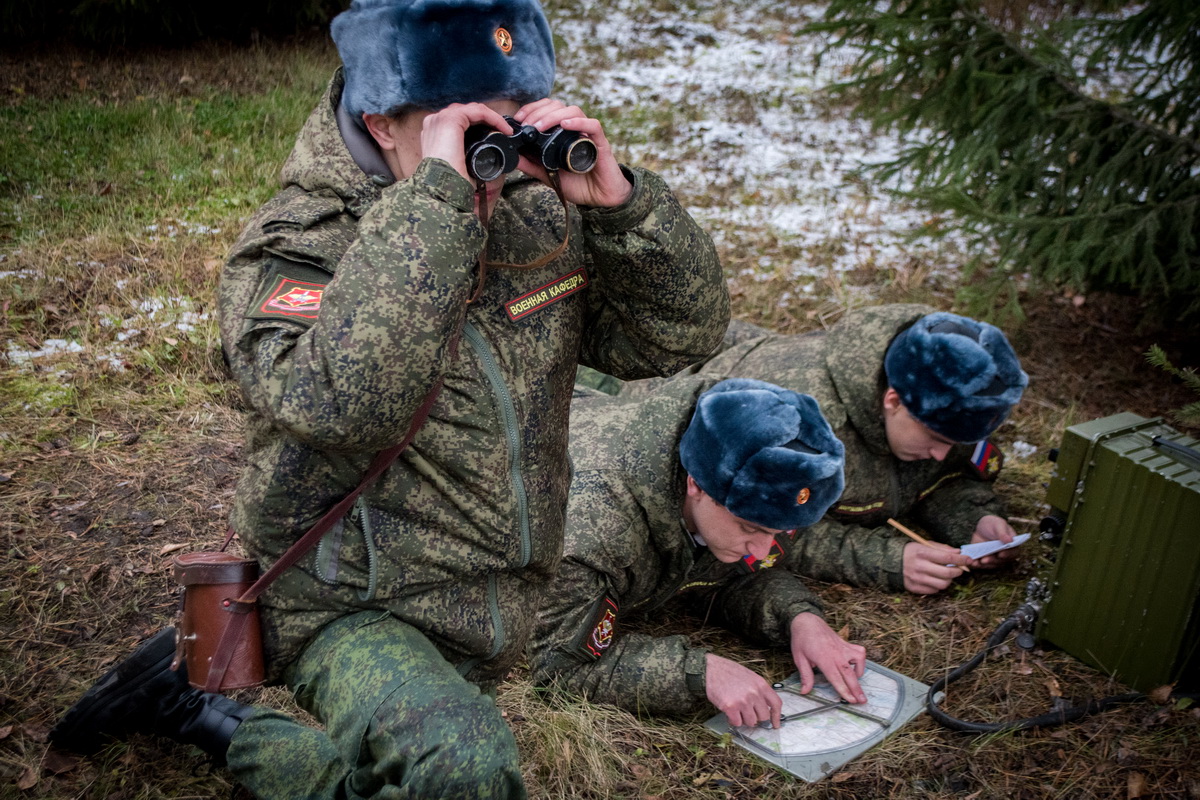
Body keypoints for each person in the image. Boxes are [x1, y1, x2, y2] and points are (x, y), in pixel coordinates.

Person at [48, 1, 729, 797]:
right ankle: (224, 725)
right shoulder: (296, 244)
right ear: (380, 125)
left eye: (516, 124)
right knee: (463, 766)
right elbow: (340, 404)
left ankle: (204, 716)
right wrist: (438, 207)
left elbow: (676, 341)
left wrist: (621, 208)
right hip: (348, 600)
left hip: (494, 594)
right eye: (474, 132)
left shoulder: (536, 213)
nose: (502, 155)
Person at [583, 304, 1029, 595]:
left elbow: (943, 470)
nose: (939, 453)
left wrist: (971, 516)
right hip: (644, 393)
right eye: (935, 441)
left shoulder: (933, 388)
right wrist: (889, 560)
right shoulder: (802, 431)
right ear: (892, 400)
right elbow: (761, 527)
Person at [530, 376, 869, 730]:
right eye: (751, 529)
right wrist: (700, 673)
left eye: (776, 533)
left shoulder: (722, 470)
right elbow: (561, 668)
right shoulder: (597, 527)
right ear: (696, 485)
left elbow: (721, 578)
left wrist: (799, 618)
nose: (763, 550)